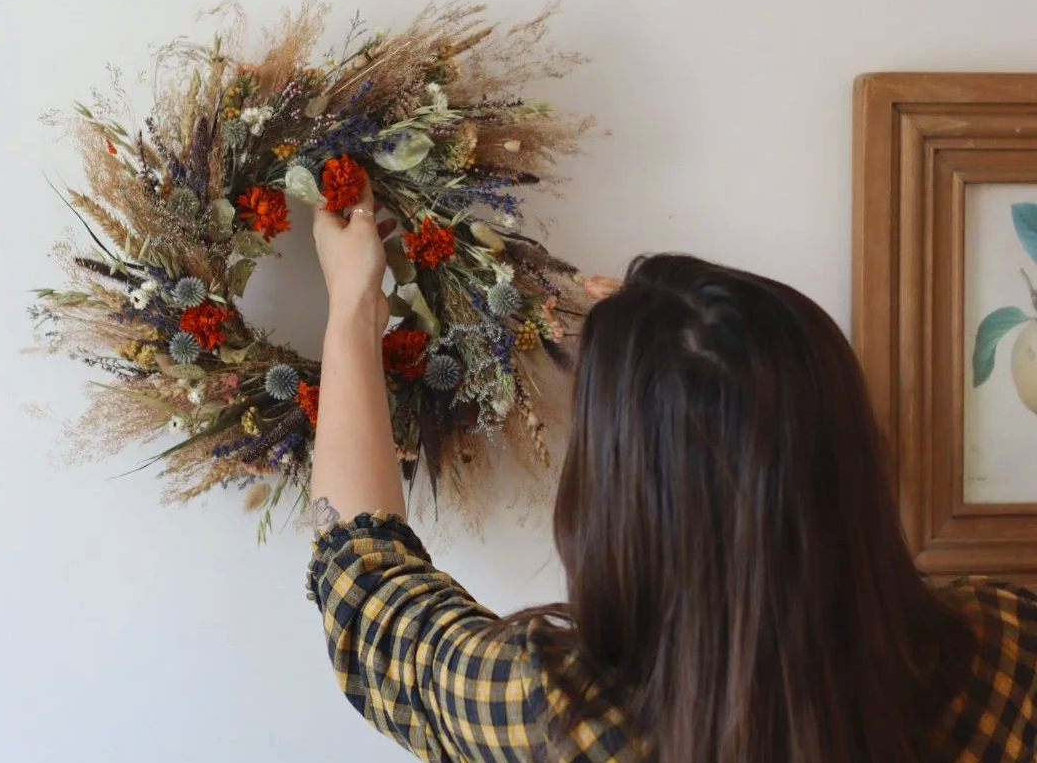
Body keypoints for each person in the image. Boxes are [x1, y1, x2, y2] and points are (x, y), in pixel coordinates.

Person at [306, 183, 1037, 763]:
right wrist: (664, 347)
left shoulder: (546, 714)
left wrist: (352, 304)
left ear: (618, 494)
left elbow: (366, 584)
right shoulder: (1006, 650)